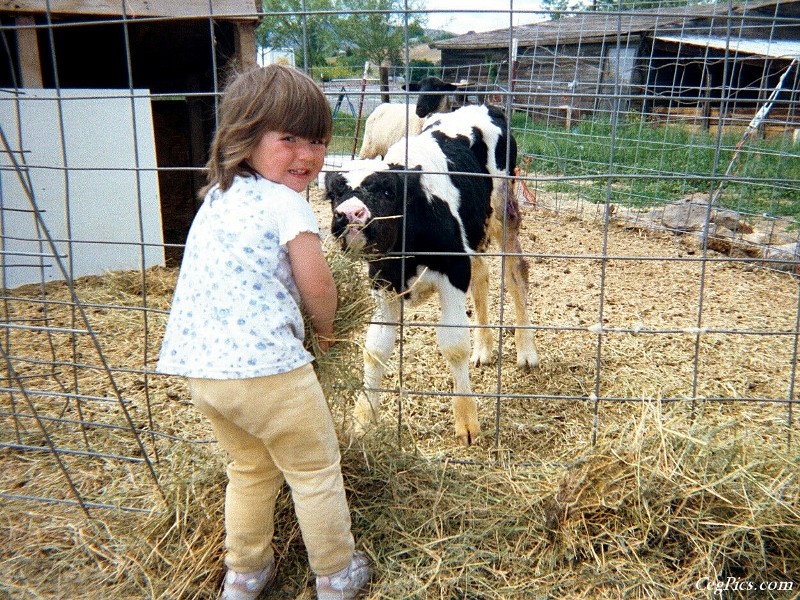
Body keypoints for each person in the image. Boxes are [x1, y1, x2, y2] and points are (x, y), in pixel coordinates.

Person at [156, 64, 371, 600]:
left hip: (205, 375)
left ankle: (245, 573)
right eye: (289, 139)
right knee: (315, 469)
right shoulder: (286, 203)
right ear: (244, 138)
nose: (307, 154)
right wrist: (326, 330)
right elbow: (318, 285)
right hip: (271, 371)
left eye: (319, 140)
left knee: (249, 468)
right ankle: (336, 574)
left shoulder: (216, 199)